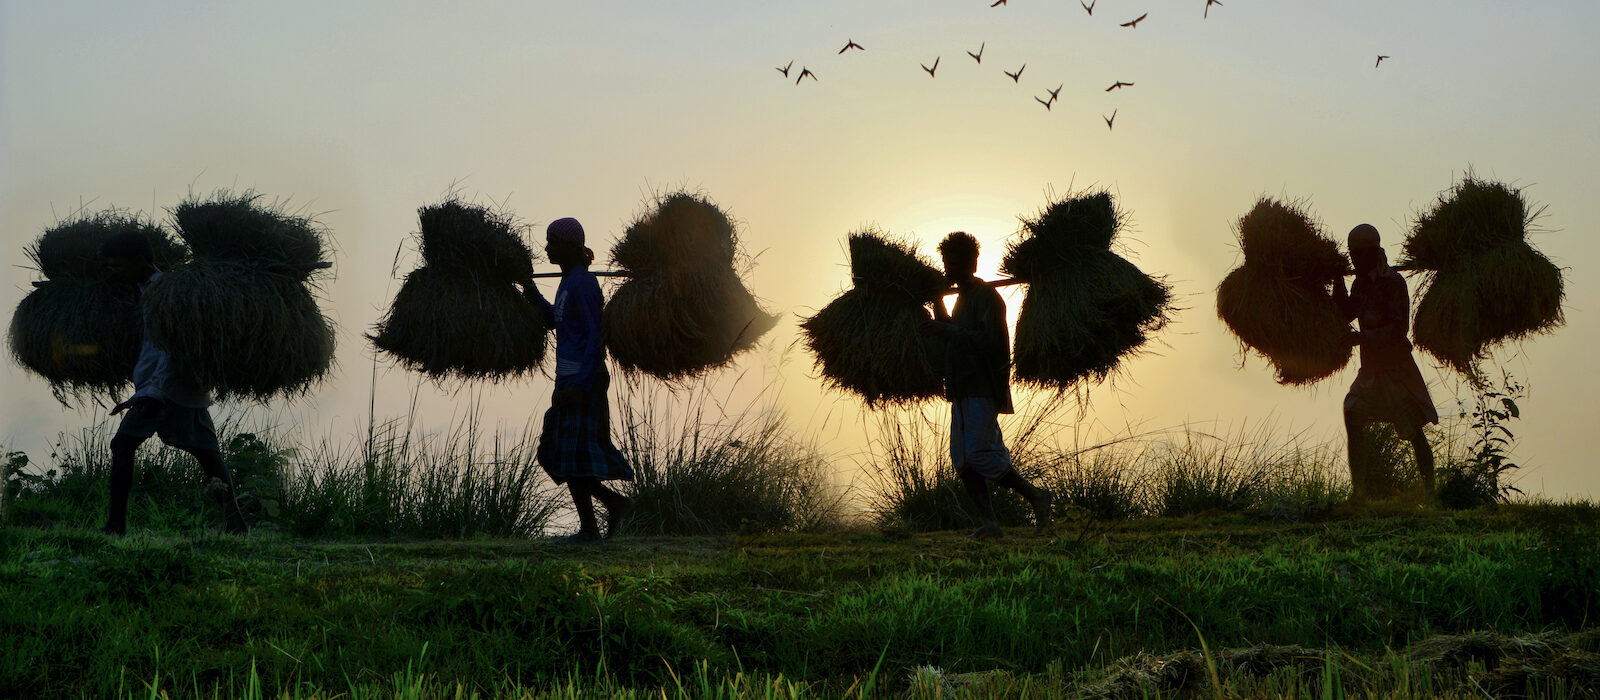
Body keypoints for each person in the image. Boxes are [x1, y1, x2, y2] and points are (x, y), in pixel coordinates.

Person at [100, 232, 246, 536]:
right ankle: (236, 524)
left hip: (167, 387)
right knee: (207, 455)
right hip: (181, 389)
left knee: (123, 444)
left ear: (140, 260)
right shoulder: (147, 289)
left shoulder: (163, 293)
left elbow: (171, 346)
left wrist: (155, 391)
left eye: (118, 265)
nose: (114, 272)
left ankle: (116, 525)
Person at [919, 231, 1052, 538]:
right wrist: (938, 303)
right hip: (961, 387)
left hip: (982, 384)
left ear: (973, 263)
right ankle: (990, 523)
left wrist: (941, 330)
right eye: (947, 264)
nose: (950, 270)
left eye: (957, 264)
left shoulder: (987, 298)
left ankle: (1037, 497)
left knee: (980, 453)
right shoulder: (964, 299)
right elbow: (955, 330)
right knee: (963, 460)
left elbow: (985, 341)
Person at [521, 218, 634, 544]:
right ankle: (611, 505)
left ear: (569, 246)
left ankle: (590, 527)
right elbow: (552, 321)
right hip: (568, 379)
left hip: (584, 380)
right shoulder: (568, 282)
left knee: (571, 453)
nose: (546, 248)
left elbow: (595, 335)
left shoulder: (583, 284)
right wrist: (527, 287)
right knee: (561, 451)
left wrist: (580, 385)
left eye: (552, 242)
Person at [1334, 223, 1440, 501]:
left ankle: (1430, 492)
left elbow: (1398, 329)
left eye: (1358, 255)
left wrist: (1361, 339)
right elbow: (1345, 313)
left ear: (1372, 253)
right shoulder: (1359, 284)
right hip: (1371, 372)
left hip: (1395, 369)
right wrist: (1336, 279)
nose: (1355, 261)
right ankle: (1359, 493)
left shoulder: (1393, 282)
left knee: (1413, 428)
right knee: (1352, 412)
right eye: (1352, 256)